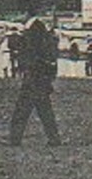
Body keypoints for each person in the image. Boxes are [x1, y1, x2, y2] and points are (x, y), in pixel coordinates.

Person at [7, 15, 62, 146]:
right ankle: (54, 139)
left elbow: (17, 46)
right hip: (42, 80)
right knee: (45, 111)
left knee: (22, 111)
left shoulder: (32, 36)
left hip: (32, 79)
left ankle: (15, 139)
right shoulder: (47, 38)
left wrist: (15, 34)